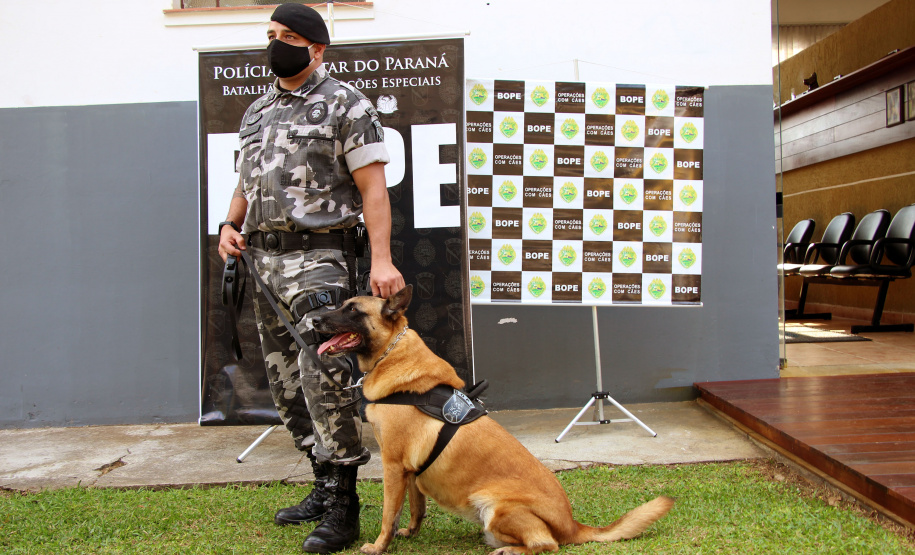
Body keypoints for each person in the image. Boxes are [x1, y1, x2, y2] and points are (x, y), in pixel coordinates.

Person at [217, 3, 404, 553]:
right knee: (284, 380)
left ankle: (346, 505)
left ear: (316, 48)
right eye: (271, 34)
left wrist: (382, 261)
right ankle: (322, 486)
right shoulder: (256, 111)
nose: (276, 44)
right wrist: (230, 224)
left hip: (320, 260)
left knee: (323, 376)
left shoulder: (346, 104)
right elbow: (245, 185)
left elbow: (373, 191)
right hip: (264, 262)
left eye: (290, 36)